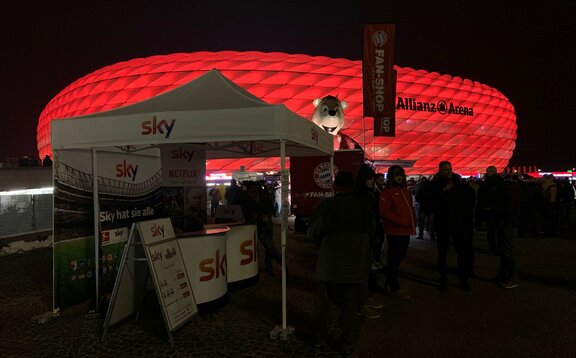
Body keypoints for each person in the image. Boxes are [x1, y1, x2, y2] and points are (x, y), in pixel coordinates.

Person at [307, 171, 376, 356]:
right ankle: (346, 343)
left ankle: (319, 339)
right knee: (350, 306)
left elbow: (312, 232)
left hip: (329, 263)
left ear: (336, 186)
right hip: (356, 263)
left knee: (324, 304)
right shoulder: (365, 206)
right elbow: (374, 232)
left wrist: (322, 242)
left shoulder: (327, 205)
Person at [432, 161, 476, 291]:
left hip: (458, 224)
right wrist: (442, 191)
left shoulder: (459, 184)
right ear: (440, 171)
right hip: (443, 223)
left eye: (450, 169)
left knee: (461, 251)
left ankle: (463, 279)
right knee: (443, 252)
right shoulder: (436, 186)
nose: (449, 171)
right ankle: (443, 279)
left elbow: (470, 198)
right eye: (445, 169)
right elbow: (429, 201)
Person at [379, 166, 416, 299]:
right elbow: (383, 211)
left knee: (400, 256)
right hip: (394, 230)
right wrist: (400, 221)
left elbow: (410, 209)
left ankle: (390, 282)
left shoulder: (405, 191)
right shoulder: (387, 192)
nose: (399, 178)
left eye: (400, 175)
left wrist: (412, 223)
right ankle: (393, 286)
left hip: (404, 230)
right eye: (396, 175)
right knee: (394, 259)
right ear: (391, 177)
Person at [242, 181, 282, 276]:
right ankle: (277, 263)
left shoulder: (262, 194)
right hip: (255, 224)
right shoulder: (245, 197)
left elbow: (270, 206)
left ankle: (274, 265)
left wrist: (267, 215)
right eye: (252, 190)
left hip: (266, 223)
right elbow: (245, 210)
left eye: (255, 189)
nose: (254, 191)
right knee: (269, 246)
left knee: (269, 246)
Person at [491, 174, 522, 288]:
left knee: (508, 251)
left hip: (507, 223)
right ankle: (503, 275)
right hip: (507, 223)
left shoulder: (510, 192)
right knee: (504, 251)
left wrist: (498, 214)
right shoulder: (512, 190)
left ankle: (511, 277)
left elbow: (508, 209)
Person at [477, 166, 503, 254]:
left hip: (489, 209)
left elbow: (480, 197)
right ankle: (500, 247)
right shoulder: (501, 183)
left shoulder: (485, 184)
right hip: (498, 209)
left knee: (491, 230)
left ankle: (493, 248)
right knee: (499, 229)